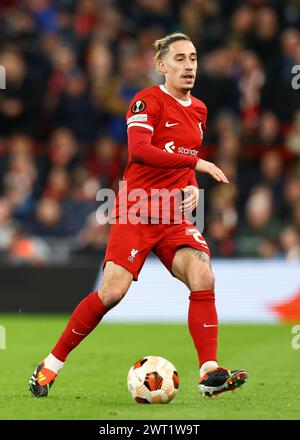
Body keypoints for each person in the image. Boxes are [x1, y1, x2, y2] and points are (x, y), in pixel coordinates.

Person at [29, 33, 248, 398]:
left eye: (193, 58)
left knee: (202, 272)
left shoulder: (199, 110)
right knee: (113, 292)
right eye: (179, 59)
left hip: (173, 217)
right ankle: (51, 364)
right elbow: (141, 152)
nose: (189, 65)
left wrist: (191, 183)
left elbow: (181, 155)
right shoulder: (146, 101)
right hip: (136, 209)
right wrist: (197, 163)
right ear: (161, 65)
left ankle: (210, 372)